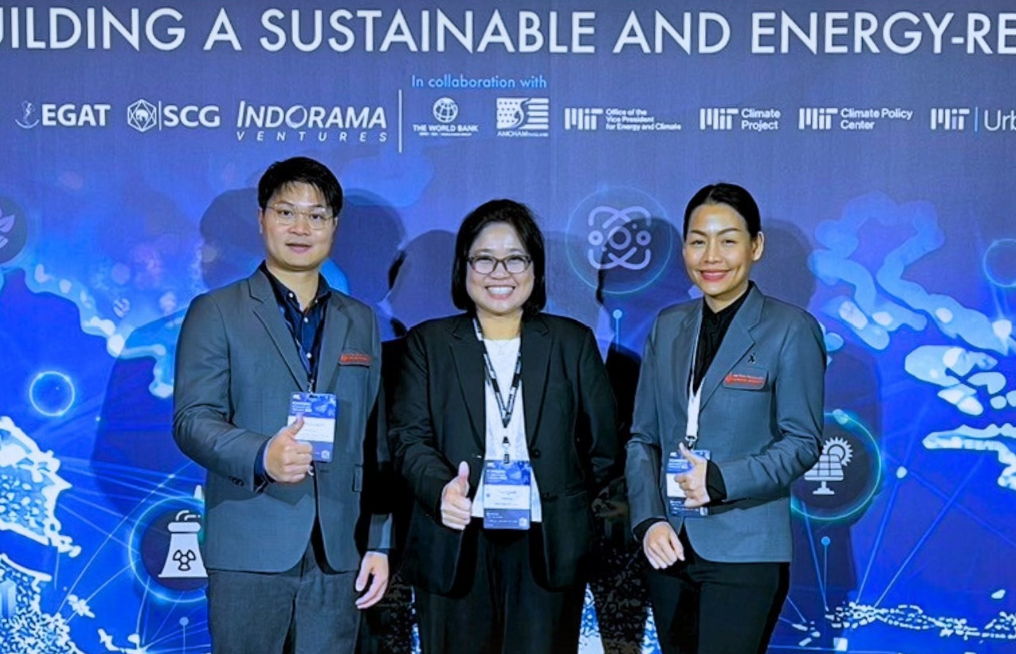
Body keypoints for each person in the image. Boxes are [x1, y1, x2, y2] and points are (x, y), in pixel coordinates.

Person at [173, 156, 390, 654]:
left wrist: (379, 540)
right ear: (262, 219)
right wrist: (261, 454)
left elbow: (373, 438)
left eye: (316, 215)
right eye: (286, 212)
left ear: (334, 225)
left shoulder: (360, 319)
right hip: (249, 544)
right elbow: (192, 419)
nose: (301, 228)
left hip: (337, 550)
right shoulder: (216, 311)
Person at [390, 199, 619, 654]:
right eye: (484, 259)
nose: (500, 273)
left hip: (547, 545)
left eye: (516, 259)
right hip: (456, 539)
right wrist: (441, 489)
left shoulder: (572, 342)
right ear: (464, 267)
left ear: (535, 269)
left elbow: (604, 445)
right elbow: (407, 438)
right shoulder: (428, 344)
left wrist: (558, 492)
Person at [625, 183, 825, 654]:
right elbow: (642, 438)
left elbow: (802, 442)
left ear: (756, 246)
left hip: (746, 549)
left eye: (728, 240)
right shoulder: (668, 326)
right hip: (670, 545)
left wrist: (720, 479)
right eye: (698, 241)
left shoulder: (791, 329)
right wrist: (649, 520)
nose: (711, 256)